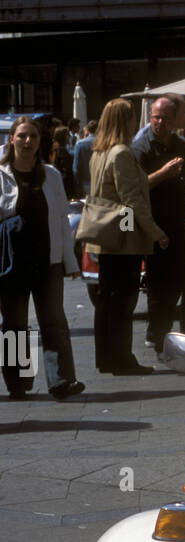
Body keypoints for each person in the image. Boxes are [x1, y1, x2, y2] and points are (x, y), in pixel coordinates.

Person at [0, 116, 84, 400]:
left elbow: (62, 219)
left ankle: (61, 380)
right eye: (21, 136)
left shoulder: (51, 175)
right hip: (11, 263)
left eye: (32, 137)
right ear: (11, 139)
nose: (27, 141)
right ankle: (18, 382)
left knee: (54, 321)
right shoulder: (0, 174)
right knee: (14, 324)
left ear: (39, 141)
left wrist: (70, 262)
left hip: (47, 261)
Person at [87, 97, 168, 375]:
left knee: (108, 298)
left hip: (106, 232)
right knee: (123, 299)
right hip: (124, 230)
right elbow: (131, 199)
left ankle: (107, 357)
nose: (137, 122)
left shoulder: (99, 152)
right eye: (133, 116)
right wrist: (155, 232)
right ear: (125, 121)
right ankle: (122, 358)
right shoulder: (121, 152)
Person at [132, 95, 185, 353]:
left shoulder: (182, 146)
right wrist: (164, 174)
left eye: (164, 118)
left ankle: (164, 331)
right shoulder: (140, 148)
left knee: (176, 280)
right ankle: (156, 332)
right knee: (156, 282)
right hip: (150, 223)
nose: (159, 122)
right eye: (155, 117)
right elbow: (132, 191)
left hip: (177, 222)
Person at [72, 120, 98, 198]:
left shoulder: (80, 144)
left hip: (85, 182)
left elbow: (76, 167)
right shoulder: (105, 143)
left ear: (87, 130)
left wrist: (77, 183)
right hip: (101, 182)